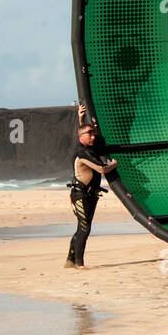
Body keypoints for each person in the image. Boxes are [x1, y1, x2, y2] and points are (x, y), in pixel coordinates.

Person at [66, 105, 117, 268]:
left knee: (82, 227)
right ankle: (79, 264)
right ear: (82, 136)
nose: (93, 136)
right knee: (84, 228)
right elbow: (101, 168)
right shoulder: (82, 153)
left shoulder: (88, 148)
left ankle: (70, 260)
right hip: (80, 194)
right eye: (90, 134)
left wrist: (81, 118)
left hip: (91, 194)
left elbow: (82, 132)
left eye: (94, 133)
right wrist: (114, 164)